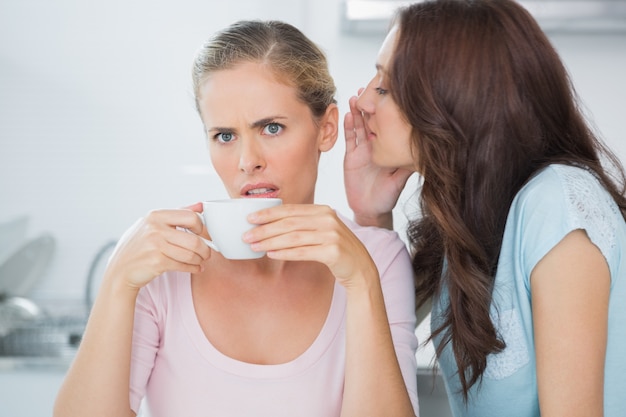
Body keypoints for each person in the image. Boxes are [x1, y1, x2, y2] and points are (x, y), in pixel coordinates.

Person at [53, 20, 419, 417]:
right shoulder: (162, 266)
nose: (247, 162)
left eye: (272, 128)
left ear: (326, 128)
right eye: (225, 136)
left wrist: (362, 280)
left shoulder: (376, 259)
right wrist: (117, 282)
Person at [343, 1, 626, 416]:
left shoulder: (557, 204)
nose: (364, 100)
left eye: (385, 88)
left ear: (452, 100)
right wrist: (371, 217)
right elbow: (381, 351)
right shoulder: (461, 216)